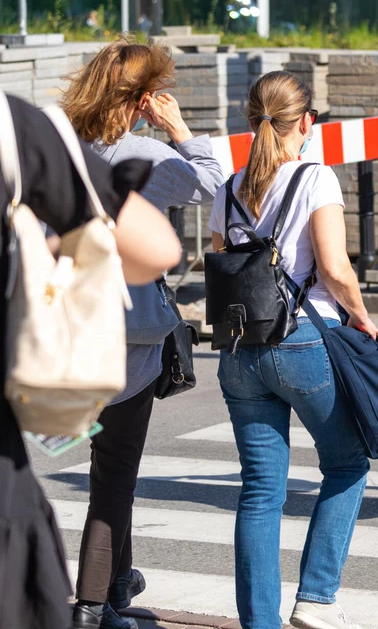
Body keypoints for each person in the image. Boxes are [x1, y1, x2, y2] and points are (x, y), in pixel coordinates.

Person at [0, 94, 181, 629]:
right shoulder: (19, 130)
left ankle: (108, 591)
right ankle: (99, 600)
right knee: (116, 476)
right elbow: (156, 248)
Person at [62, 36, 224, 629]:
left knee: (105, 463)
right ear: (142, 100)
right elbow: (218, 190)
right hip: (125, 340)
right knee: (115, 476)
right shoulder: (147, 160)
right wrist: (180, 127)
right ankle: (92, 606)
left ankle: (118, 582)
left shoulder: (59, 149)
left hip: (60, 335)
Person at [210, 71, 378, 629]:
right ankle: (315, 599)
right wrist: (361, 315)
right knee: (348, 463)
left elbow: (225, 268)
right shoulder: (315, 178)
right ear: (305, 123)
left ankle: (259, 622)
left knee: (260, 488)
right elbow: (333, 269)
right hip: (299, 340)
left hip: (238, 349)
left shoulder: (230, 187)